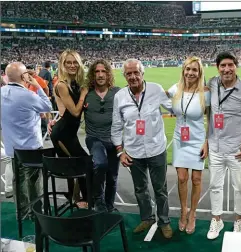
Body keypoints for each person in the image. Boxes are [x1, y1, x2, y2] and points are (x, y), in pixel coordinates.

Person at [111, 58, 173, 239]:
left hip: (156, 149)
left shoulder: (156, 90)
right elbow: (116, 126)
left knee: (160, 189)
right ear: (124, 76)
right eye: (129, 74)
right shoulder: (120, 97)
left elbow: (175, 108)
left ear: (142, 73)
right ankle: (146, 218)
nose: (133, 77)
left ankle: (164, 221)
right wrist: (120, 152)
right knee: (140, 189)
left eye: (136, 72)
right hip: (134, 151)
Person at [49, 59, 121, 212]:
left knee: (112, 176)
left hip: (114, 139)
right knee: (99, 164)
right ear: (92, 75)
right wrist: (54, 122)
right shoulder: (86, 93)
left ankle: (109, 205)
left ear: (109, 74)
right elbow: (72, 112)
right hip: (95, 139)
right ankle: (97, 202)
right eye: (97, 71)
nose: (100, 75)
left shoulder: (118, 93)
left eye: (104, 71)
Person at [206, 52, 241, 240]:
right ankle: (216, 219)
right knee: (214, 186)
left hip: (237, 148)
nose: (226, 69)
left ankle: (239, 219)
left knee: (240, 187)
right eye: (223, 66)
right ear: (217, 67)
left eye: (230, 65)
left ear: (236, 66)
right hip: (216, 146)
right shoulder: (212, 83)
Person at [1, 62, 52, 217]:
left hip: (12, 147)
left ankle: (21, 212)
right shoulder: (29, 95)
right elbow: (48, 106)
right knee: (34, 183)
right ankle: (36, 213)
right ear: (24, 76)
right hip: (30, 147)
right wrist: (36, 84)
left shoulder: (2, 92)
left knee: (18, 181)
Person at [166, 56, 210, 234]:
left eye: (194, 70)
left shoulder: (205, 93)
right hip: (179, 138)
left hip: (198, 139)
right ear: (183, 70)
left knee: (197, 179)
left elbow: (213, 119)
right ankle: (183, 211)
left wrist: (207, 142)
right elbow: (160, 100)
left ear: (199, 73)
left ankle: (193, 214)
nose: (190, 73)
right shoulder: (175, 89)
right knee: (182, 178)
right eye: (188, 69)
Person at [50, 49, 89, 208]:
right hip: (62, 134)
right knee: (82, 163)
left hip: (69, 133)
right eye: (68, 63)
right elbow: (74, 111)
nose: (72, 65)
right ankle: (83, 201)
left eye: (75, 62)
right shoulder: (61, 84)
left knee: (76, 165)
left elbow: (63, 111)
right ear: (63, 65)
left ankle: (75, 197)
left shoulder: (77, 83)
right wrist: (83, 95)